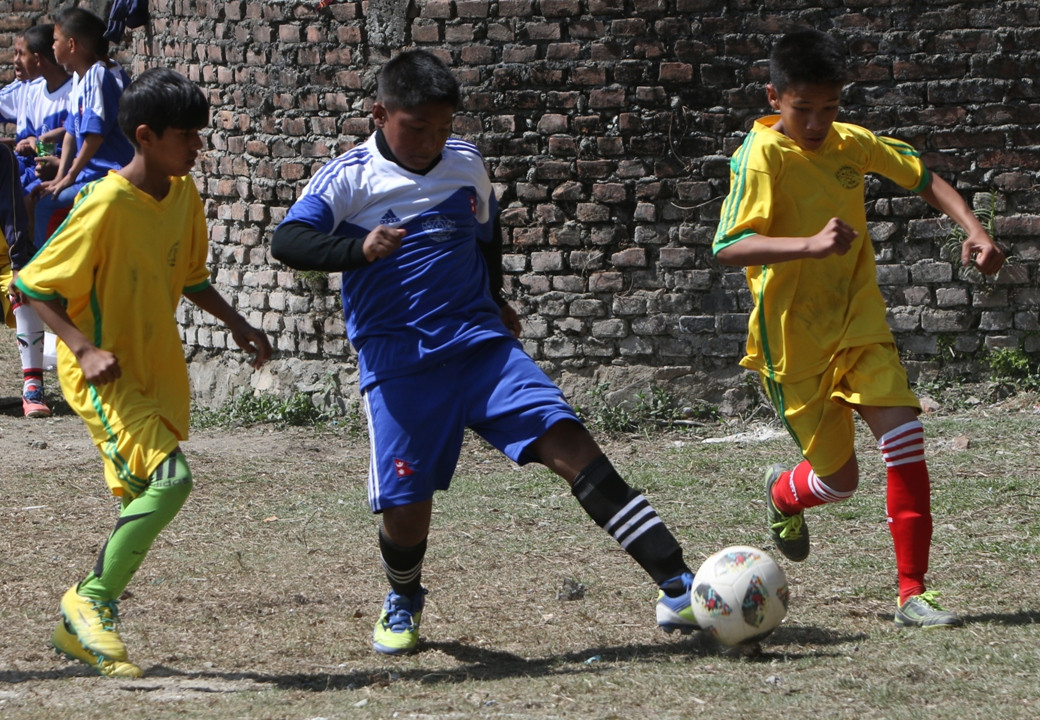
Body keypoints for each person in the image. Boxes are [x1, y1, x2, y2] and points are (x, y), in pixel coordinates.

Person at [271, 49, 699, 655]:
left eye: (443, 128)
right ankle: (404, 597)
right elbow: (287, 239)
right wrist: (357, 248)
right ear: (379, 114)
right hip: (400, 363)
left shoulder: (466, 163)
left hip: (480, 347)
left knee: (571, 442)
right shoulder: (349, 177)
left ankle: (678, 584)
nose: (429, 142)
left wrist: (495, 295)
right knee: (405, 507)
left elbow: (486, 228)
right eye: (415, 128)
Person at [712, 29, 1005, 629]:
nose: (818, 122)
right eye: (803, 109)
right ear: (775, 97)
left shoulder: (853, 144)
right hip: (793, 338)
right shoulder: (760, 155)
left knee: (904, 440)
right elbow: (730, 245)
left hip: (859, 322)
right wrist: (810, 245)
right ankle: (786, 494)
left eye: (830, 108)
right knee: (840, 481)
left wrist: (973, 229)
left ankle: (912, 594)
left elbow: (923, 177)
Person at [16, 67, 272, 677]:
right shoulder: (103, 203)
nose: (198, 146)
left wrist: (238, 323)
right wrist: (82, 349)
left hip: (157, 369)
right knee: (170, 483)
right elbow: (32, 285)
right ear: (146, 135)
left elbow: (189, 276)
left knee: (145, 494)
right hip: (105, 377)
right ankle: (90, 601)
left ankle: (80, 630)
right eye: (188, 135)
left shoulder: (182, 194)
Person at [32, 7, 132, 249]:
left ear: (72, 45)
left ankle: (42, 276)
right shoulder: (78, 78)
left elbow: (94, 136)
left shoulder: (98, 76)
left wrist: (70, 177)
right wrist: (59, 178)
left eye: (56, 40)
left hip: (108, 174)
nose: (52, 46)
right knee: (42, 194)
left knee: (46, 206)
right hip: (87, 174)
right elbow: (71, 133)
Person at [0, 141, 50, 416]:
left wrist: (19, 265)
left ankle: (33, 387)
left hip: (5, 257)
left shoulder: (1, 155)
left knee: (26, 288)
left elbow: (13, 214)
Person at [13, 23, 72, 195]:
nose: (18, 61)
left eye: (23, 55)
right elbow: (33, 135)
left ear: (37, 59)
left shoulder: (74, 90)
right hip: (36, 164)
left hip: (64, 167)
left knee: (28, 199)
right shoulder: (34, 90)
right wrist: (30, 142)